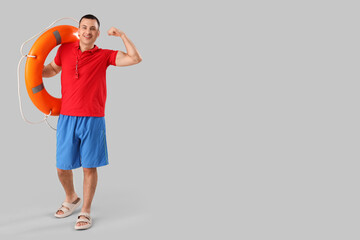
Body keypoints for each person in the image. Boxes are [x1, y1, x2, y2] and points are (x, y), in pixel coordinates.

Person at [42, 14, 142, 230]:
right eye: (84, 27)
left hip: (93, 119)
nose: (88, 31)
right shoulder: (65, 50)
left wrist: (122, 35)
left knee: (89, 167)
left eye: (92, 28)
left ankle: (85, 210)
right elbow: (52, 70)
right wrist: (33, 72)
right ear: (78, 30)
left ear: (97, 33)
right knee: (62, 168)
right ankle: (71, 198)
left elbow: (135, 58)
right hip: (67, 118)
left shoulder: (104, 55)